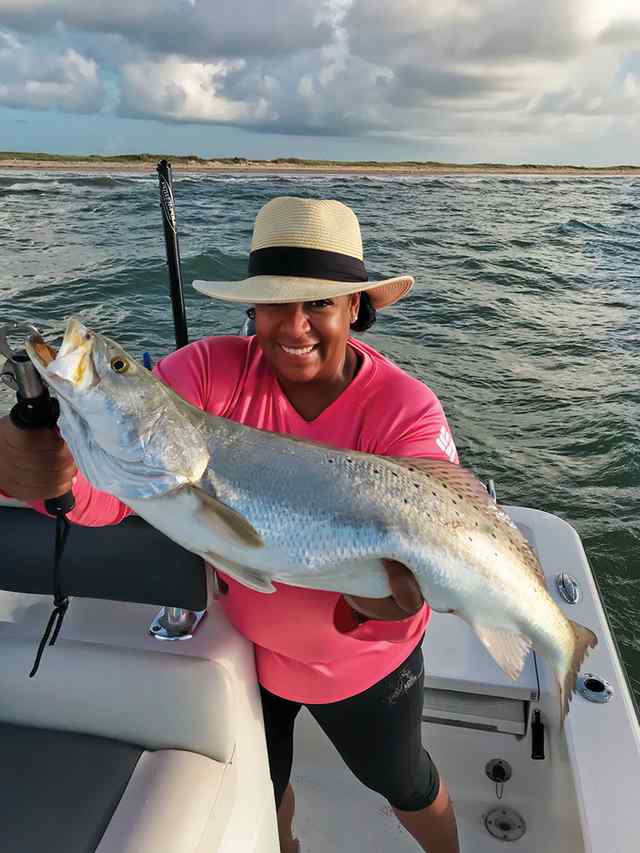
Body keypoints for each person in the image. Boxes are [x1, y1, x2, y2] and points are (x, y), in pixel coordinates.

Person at [0, 196, 460, 853]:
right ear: (252, 307)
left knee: (406, 781)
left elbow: (432, 540)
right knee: (265, 786)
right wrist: (48, 474)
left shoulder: (406, 407)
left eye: (319, 303)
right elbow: (122, 494)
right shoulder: (207, 372)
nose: (294, 325)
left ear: (356, 307)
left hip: (363, 667)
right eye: (275, 301)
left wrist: (378, 602)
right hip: (251, 649)